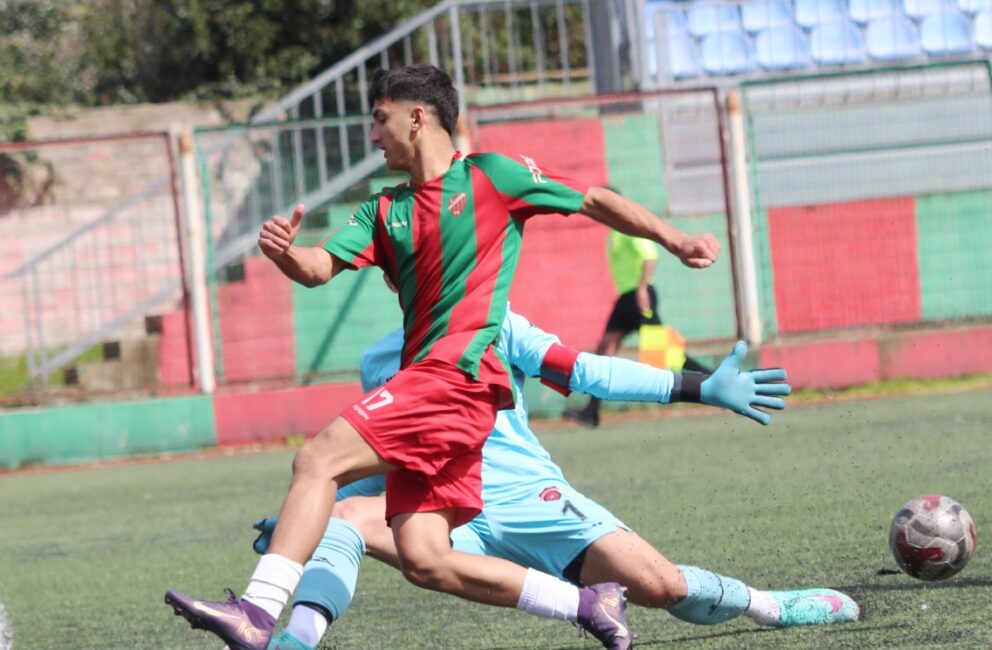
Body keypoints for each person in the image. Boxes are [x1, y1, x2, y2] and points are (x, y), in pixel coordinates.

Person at [164, 64, 720, 650]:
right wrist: (286, 254)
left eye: (379, 121)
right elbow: (318, 269)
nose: (373, 137)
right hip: (436, 388)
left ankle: (258, 610)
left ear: (417, 116)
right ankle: (587, 603)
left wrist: (675, 240)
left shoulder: (492, 176)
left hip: (456, 377)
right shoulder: (380, 211)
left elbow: (592, 200)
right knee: (425, 558)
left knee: (316, 460)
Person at [250, 310, 857, 649]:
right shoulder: (380, 361)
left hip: (529, 497)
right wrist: (305, 520)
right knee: (341, 518)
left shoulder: (498, 324)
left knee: (662, 586)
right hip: (438, 512)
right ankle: (295, 642)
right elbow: (378, 451)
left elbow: (588, 372)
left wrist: (698, 387)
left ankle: (771, 606)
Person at [565, 229, 710, 428]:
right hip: (626, 298)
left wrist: (642, 289)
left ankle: (715, 380)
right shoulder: (613, 233)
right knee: (604, 349)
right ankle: (591, 411)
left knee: (667, 354)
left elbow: (650, 255)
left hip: (639, 296)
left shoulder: (627, 228)